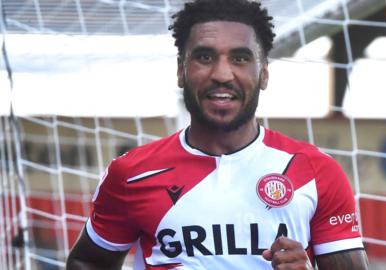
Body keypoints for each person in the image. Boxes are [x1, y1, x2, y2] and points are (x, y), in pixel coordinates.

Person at [66, 0, 369, 269]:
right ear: (181, 71)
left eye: (240, 58)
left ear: (263, 73)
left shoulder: (316, 172)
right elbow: (86, 262)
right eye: (205, 57)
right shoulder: (132, 173)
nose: (222, 75)